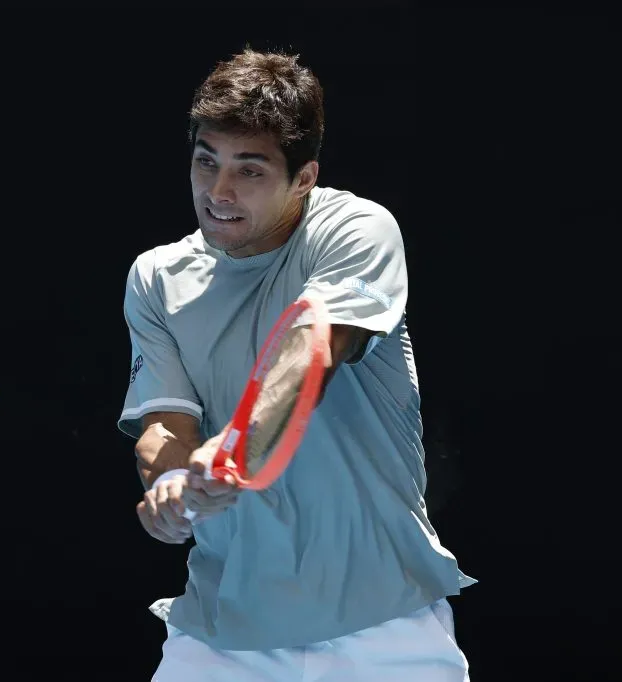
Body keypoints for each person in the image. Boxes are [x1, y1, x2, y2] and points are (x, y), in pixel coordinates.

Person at [118, 47, 476, 681]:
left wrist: (236, 447)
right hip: (222, 629)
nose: (218, 192)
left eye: (249, 171)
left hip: (384, 623)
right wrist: (170, 485)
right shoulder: (155, 276)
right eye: (207, 163)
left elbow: (312, 346)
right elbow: (165, 422)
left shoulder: (356, 230)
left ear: (304, 176)